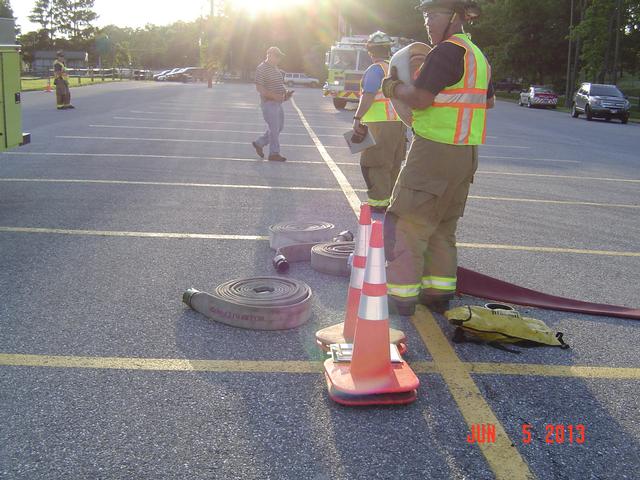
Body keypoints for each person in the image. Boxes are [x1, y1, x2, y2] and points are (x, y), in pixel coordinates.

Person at [381, 0, 495, 315]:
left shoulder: (446, 52)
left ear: (456, 17)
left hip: (434, 152)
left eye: (434, 14)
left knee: (409, 224)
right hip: (465, 154)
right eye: (426, 15)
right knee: (443, 227)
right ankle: (438, 293)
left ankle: (400, 298)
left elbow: (419, 98)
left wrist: (392, 87)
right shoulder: (477, 56)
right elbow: (488, 103)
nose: (428, 22)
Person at [352, 31, 407, 214]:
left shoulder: (375, 70)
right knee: (392, 163)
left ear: (370, 51)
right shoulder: (396, 69)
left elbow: (368, 96)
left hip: (378, 124)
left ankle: (378, 203)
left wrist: (357, 117)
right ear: (388, 48)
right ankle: (390, 200)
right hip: (398, 123)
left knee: (373, 163)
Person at [252, 46, 293, 162]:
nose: (279, 59)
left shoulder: (275, 68)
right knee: (274, 128)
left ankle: (259, 143)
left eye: (280, 57)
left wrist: (285, 93)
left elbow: (279, 84)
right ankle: (274, 153)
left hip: (278, 103)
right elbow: (259, 88)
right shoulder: (262, 68)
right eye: (277, 56)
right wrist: (275, 96)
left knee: (279, 127)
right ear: (269, 55)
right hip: (269, 103)